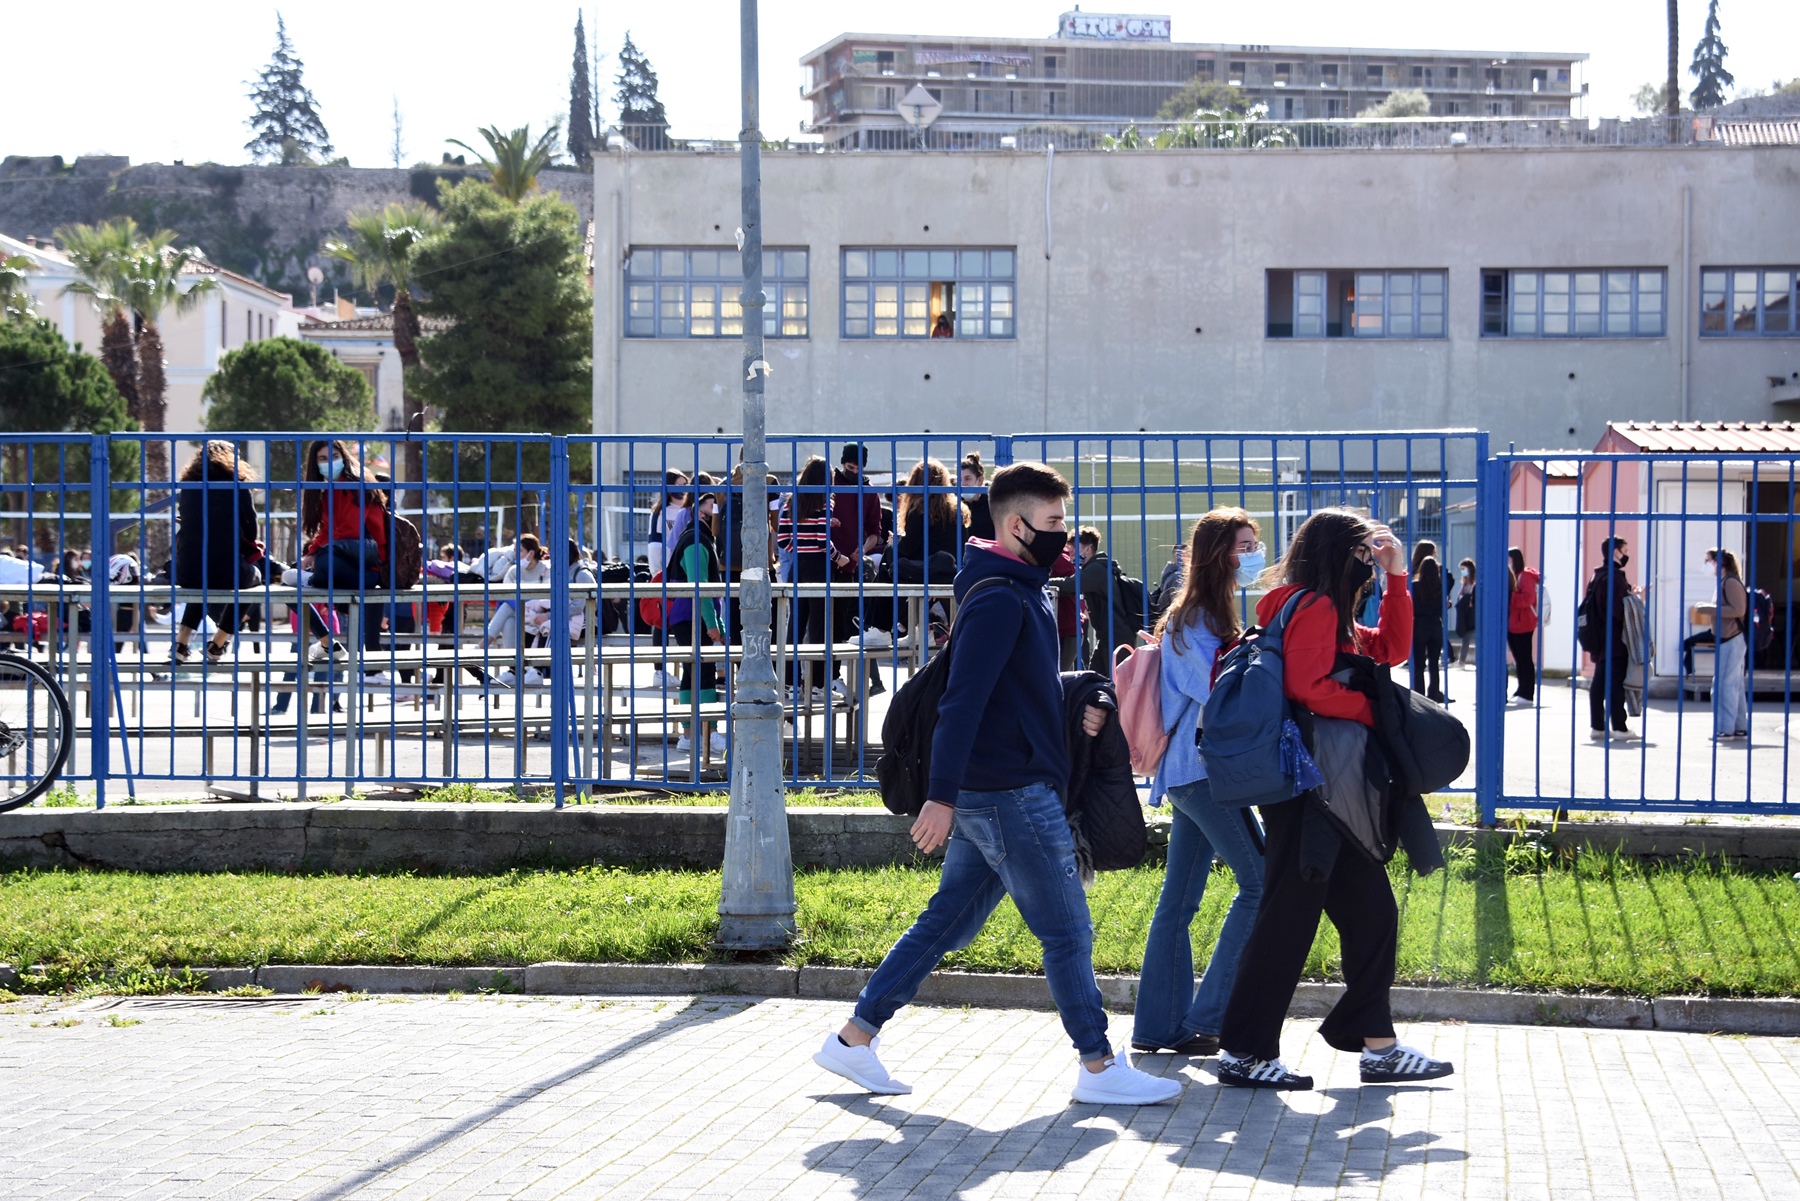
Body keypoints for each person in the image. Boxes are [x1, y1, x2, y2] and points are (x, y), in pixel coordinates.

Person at [811, 460, 1182, 1106]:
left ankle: (852, 1038)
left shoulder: (1020, 587)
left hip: (997, 789)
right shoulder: (1002, 597)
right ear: (1016, 525)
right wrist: (941, 795)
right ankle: (1098, 1065)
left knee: (945, 922)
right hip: (1008, 791)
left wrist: (1087, 693)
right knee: (1066, 929)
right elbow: (963, 701)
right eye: (1054, 523)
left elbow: (1023, 689)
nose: (1064, 535)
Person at [1216, 508, 1454, 1090]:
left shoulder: (1317, 608)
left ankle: (1377, 1046)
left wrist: (1399, 576)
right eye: (1364, 558)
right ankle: (1245, 1053)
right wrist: (1378, 712)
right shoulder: (1313, 605)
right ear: (1339, 556)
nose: (1369, 569)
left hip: (1325, 788)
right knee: (1287, 919)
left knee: (1372, 913)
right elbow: (1309, 689)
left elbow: (1392, 648)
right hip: (1310, 789)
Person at [1132, 509, 1267, 1059]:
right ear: (1218, 553)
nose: (1254, 554)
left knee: (1179, 902)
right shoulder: (1196, 619)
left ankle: (1158, 1026)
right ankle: (1207, 1017)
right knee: (1261, 886)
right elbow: (1218, 694)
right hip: (1201, 773)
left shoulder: (1205, 614)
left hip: (1192, 775)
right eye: (1245, 545)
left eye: (1256, 543)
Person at [171, 441, 263, 664]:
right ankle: (218, 643)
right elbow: (251, 532)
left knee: (203, 578)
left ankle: (181, 643)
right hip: (226, 571)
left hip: (187, 572)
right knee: (254, 580)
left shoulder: (188, 486)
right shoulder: (237, 486)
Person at [779, 455, 850, 700]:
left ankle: (790, 685)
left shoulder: (791, 502)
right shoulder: (824, 502)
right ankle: (819, 685)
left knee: (795, 627)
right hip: (820, 568)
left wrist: (801, 547)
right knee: (820, 628)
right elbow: (822, 541)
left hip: (798, 568)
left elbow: (783, 540)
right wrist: (838, 556)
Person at [667, 480, 728, 756]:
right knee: (702, 672)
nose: (717, 508)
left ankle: (690, 735)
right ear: (701, 512)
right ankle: (708, 733)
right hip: (692, 617)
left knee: (693, 671)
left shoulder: (700, 538)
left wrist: (717, 623)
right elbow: (699, 587)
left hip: (691, 616)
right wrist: (713, 624)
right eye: (711, 504)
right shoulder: (695, 540)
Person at [1584, 537, 1635, 742]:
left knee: (1599, 683)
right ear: (1615, 552)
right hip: (1614, 638)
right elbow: (1617, 609)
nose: (1626, 554)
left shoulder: (1597, 576)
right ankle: (1620, 727)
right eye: (1624, 549)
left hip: (1599, 637)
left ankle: (1598, 726)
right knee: (1616, 684)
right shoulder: (1614, 577)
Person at [893, 457, 969, 583]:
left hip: (927, 572)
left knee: (891, 555)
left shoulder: (919, 509)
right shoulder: (959, 510)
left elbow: (909, 548)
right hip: (954, 573)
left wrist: (895, 543)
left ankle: (872, 602)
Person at [487, 533, 548, 674]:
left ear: (531, 553)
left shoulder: (545, 570)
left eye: (519, 550)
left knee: (508, 609)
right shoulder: (513, 571)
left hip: (537, 617)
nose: (515, 554)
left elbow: (546, 599)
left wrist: (526, 603)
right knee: (508, 618)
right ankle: (515, 668)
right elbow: (507, 596)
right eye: (514, 550)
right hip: (519, 616)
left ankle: (484, 645)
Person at [1706, 547, 1750, 742]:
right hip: (1727, 638)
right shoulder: (1723, 582)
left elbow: (1738, 610)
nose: (1707, 566)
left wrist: (1710, 609)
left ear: (1719, 563)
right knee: (1735, 685)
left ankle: (1725, 729)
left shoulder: (1730, 583)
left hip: (1732, 638)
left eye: (1709, 562)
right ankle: (1740, 727)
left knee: (1724, 685)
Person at [1409, 541, 1446, 703]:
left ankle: (1418, 695)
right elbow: (1444, 606)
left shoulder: (1415, 585)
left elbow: (1412, 606)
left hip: (1419, 625)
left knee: (1418, 664)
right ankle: (1434, 694)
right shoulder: (1440, 585)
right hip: (1436, 625)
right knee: (1434, 663)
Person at [1508, 547, 1540, 705]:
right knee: (1519, 659)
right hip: (1514, 623)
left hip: (1524, 623)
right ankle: (1521, 689)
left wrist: (1510, 596)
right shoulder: (1516, 576)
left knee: (1525, 658)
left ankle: (1528, 692)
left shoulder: (1524, 577)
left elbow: (1528, 599)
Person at [960, 453, 994, 541]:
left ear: (980, 480)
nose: (963, 484)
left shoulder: (991, 506)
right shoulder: (954, 505)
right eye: (959, 480)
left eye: (967, 479)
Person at [1451, 559, 1476, 668]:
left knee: (1468, 637)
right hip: (1465, 614)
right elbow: (1460, 595)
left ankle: (1462, 661)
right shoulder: (1465, 583)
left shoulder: (1474, 583)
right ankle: (1461, 661)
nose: (1462, 572)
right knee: (1466, 638)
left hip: (1471, 614)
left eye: (1463, 569)